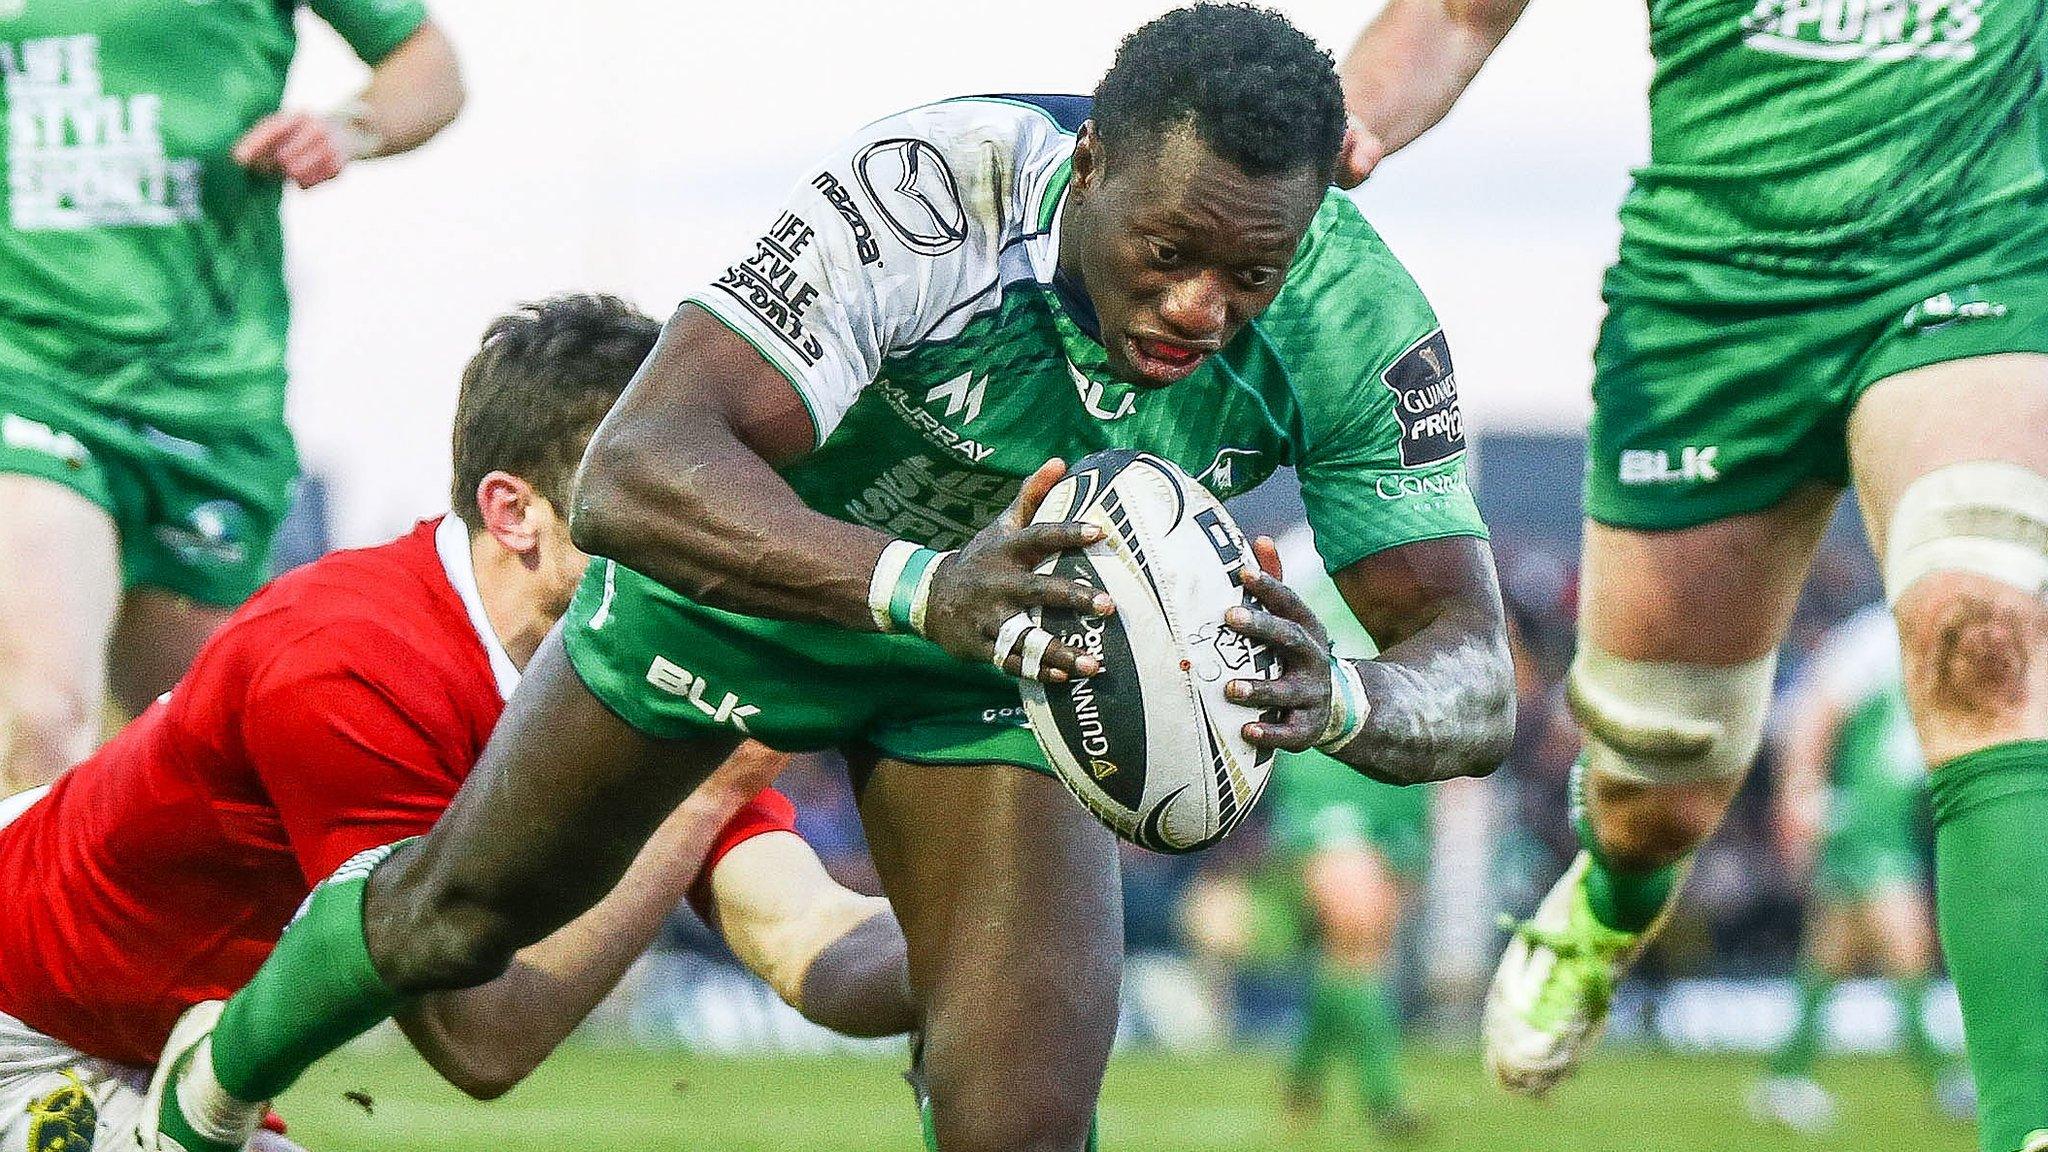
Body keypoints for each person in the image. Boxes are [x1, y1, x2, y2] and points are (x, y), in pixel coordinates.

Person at [140, 8, 1516, 1152]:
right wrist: (922, 585)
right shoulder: (937, 189)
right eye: (1170, 255)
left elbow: (1470, 665)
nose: (1201, 308)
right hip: (759, 584)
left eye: (1251, 271)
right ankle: (202, 1098)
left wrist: (1337, 692)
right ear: (1089, 166)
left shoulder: (1357, 324)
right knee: (458, 923)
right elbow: (632, 468)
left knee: (1022, 1120)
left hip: (1005, 656)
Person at [1337, 4, 2048, 1150]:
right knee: (1655, 789)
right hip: (1715, 301)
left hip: (1973, 250)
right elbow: (1458, 14)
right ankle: (1609, 898)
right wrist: (1326, 136)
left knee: (1984, 634)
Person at [0, 295, 913, 1152]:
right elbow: (480, 1040)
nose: (703, 531)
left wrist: (1005, 972)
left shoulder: (643, 655)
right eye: (655, 496)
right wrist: (705, 789)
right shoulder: (352, 660)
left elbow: (804, 936)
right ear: (513, 513)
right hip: (27, 1026)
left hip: (154, 1044)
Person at [0, 0, 466, 793]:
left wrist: (350, 127)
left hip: (213, 400)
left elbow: (428, 64)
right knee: (40, 718)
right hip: (33, 377)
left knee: (211, 778)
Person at [1752, 605, 1967, 1131]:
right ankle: (1945, 1080)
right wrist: (1799, 796)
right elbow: (1818, 710)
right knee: (1909, 946)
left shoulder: (1944, 641)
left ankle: (1785, 1077)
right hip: (1863, 820)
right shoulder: (1880, 632)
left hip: (1888, 818)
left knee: (1829, 955)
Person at [1266, 549, 1429, 1139]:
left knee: (1359, 952)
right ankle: (1386, 1099)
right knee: (1356, 932)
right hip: (1325, 785)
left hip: (1402, 790)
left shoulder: (1420, 575)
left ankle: (1304, 1078)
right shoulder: (1305, 570)